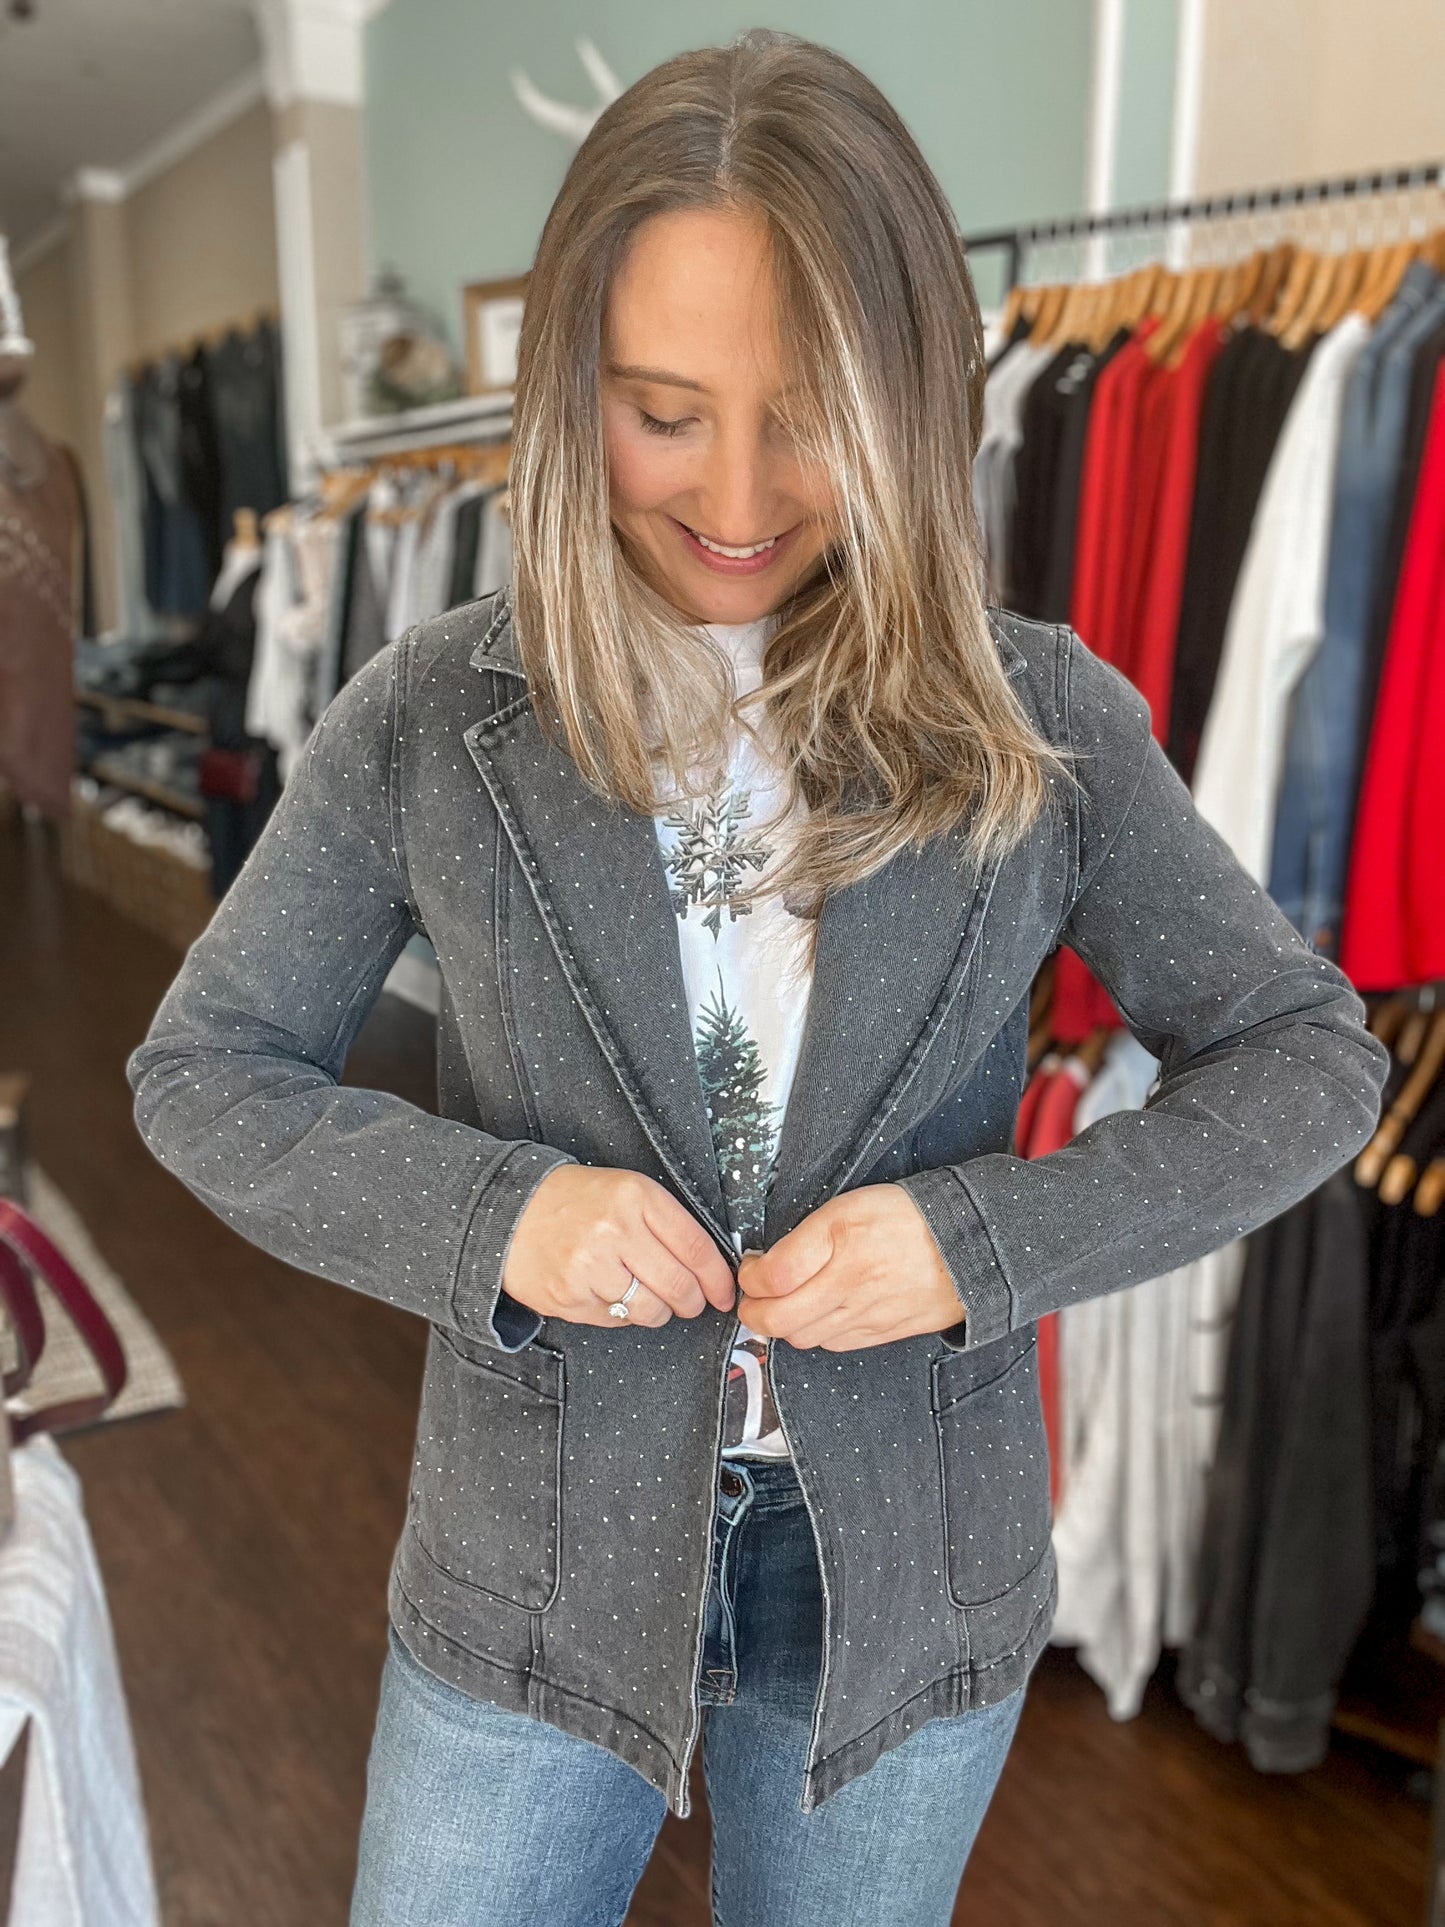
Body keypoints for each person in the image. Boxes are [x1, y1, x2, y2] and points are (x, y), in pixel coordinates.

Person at [126, 29, 1390, 1927]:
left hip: (904, 1577)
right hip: (531, 1565)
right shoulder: (431, 714)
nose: (733, 492)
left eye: (806, 411)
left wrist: (981, 1242)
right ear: (570, 391)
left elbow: (1306, 1056)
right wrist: (502, 1215)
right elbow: (203, 1069)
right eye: (659, 407)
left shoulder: (1034, 716)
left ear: (905, 394)